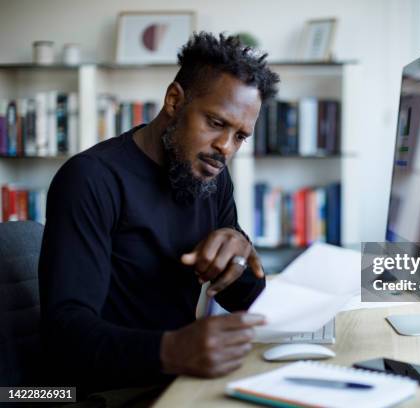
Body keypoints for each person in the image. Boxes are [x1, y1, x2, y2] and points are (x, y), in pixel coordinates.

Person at [38, 32, 280, 396]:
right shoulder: (91, 178)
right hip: (95, 393)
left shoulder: (212, 175)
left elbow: (245, 299)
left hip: (176, 380)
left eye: (240, 136)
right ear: (174, 100)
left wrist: (240, 256)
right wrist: (171, 349)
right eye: (216, 123)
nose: (225, 147)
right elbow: (66, 333)